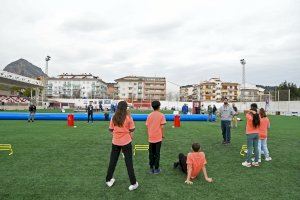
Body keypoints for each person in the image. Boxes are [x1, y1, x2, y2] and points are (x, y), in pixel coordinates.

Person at [105, 101, 138, 191]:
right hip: (126, 142)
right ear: (126, 108)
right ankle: (133, 183)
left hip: (116, 142)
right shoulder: (128, 117)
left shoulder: (113, 117)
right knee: (129, 163)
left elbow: (111, 130)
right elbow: (132, 130)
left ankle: (108, 180)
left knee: (113, 161)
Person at [146, 100, 167, 174]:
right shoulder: (161, 115)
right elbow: (162, 127)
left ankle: (151, 168)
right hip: (158, 137)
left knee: (151, 153)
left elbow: (147, 126)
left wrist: (149, 134)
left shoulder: (149, 115)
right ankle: (156, 169)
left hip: (151, 137)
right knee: (157, 153)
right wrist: (163, 135)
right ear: (159, 107)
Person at [242, 103, 260, 167]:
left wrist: (250, 111)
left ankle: (248, 162)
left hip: (250, 134)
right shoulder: (258, 116)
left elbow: (244, 111)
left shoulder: (249, 116)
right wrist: (254, 111)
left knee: (249, 148)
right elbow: (256, 114)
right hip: (257, 134)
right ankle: (256, 162)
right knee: (256, 148)